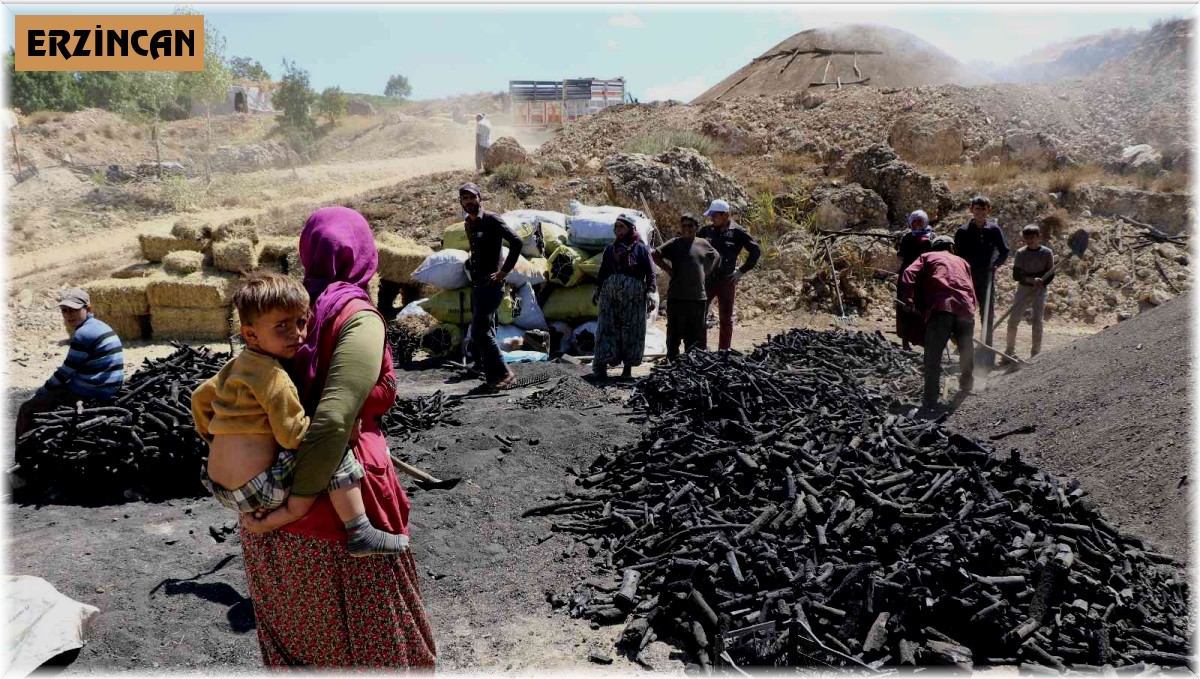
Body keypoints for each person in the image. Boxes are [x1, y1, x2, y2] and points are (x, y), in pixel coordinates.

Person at [238, 207, 436, 668]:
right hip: (335, 502)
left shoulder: (282, 311)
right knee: (372, 642)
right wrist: (299, 503)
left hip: (271, 495)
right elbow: (332, 422)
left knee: (301, 642)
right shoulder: (356, 316)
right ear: (366, 254)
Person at [192, 273, 408, 557]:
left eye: (302, 322)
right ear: (251, 334)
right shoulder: (274, 378)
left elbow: (199, 400)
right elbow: (293, 436)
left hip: (216, 483)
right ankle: (359, 530)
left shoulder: (235, 367)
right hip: (257, 489)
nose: (297, 334)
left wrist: (219, 437)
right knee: (331, 441)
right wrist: (339, 430)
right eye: (282, 325)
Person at [15, 289, 124, 441]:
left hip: (94, 389)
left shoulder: (83, 334)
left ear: (88, 309)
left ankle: (24, 451)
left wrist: (41, 393)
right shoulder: (100, 326)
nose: (68, 315)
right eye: (64, 310)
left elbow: (65, 372)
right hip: (110, 385)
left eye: (74, 310)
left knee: (27, 408)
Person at [898, 236, 978, 412]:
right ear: (952, 248)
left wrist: (909, 299)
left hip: (941, 307)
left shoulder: (927, 257)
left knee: (933, 356)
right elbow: (971, 289)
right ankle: (966, 387)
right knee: (966, 350)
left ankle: (930, 401)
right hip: (965, 308)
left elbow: (908, 274)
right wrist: (970, 310)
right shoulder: (963, 262)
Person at [459, 182, 522, 389]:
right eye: (465, 198)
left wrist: (504, 271)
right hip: (478, 285)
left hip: (492, 284)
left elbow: (517, 242)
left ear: (480, 198)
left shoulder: (492, 219)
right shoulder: (469, 223)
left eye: (472, 197)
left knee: (479, 331)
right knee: (486, 330)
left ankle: (504, 373)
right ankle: (492, 378)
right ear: (461, 202)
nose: (469, 201)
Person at [591, 214, 656, 379]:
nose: (618, 230)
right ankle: (602, 366)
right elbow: (603, 271)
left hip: (633, 296)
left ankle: (627, 368)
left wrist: (650, 292)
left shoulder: (640, 249)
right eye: (616, 227)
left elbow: (650, 272)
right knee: (606, 328)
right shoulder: (610, 249)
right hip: (610, 295)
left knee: (631, 330)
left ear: (630, 229)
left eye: (622, 226)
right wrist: (597, 289)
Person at [652, 214, 720, 359]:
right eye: (684, 226)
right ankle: (672, 364)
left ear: (697, 228)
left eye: (690, 226)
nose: (687, 228)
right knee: (674, 335)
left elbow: (716, 256)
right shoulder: (675, 243)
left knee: (695, 337)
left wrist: (706, 271)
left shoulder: (703, 243)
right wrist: (668, 269)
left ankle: (691, 365)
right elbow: (654, 254)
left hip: (698, 298)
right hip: (677, 297)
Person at [697, 199, 761, 351]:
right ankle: (700, 349)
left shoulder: (738, 232)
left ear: (725, 215)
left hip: (727, 280)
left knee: (726, 317)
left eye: (714, 215)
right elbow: (693, 245)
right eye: (711, 215)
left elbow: (755, 250)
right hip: (707, 279)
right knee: (699, 314)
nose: (712, 218)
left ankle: (723, 351)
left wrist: (741, 271)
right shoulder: (707, 231)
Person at [954, 195, 1009, 364]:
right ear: (971, 210)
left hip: (987, 277)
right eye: (977, 209)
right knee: (965, 314)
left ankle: (987, 352)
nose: (980, 212)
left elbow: (1004, 251)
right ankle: (965, 349)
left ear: (989, 210)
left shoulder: (994, 230)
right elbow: (957, 255)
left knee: (988, 314)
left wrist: (996, 264)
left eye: (983, 209)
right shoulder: (963, 231)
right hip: (967, 278)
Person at [1004, 224, 1055, 362]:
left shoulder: (1047, 253)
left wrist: (1040, 282)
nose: (1030, 240)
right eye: (1027, 238)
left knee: (1037, 321)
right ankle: (1009, 352)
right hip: (1024, 289)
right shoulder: (1021, 253)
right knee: (1013, 320)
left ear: (1039, 237)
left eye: (1032, 237)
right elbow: (1016, 275)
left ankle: (1035, 354)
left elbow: (1050, 274)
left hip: (1040, 289)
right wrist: (1031, 280)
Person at [895, 210, 934, 351]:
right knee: (906, 307)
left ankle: (925, 342)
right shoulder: (907, 237)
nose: (917, 224)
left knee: (924, 308)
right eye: (914, 221)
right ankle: (905, 342)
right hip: (908, 277)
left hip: (925, 278)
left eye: (920, 221)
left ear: (925, 222)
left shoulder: (932, 237)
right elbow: (901, 256)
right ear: (910, 223)